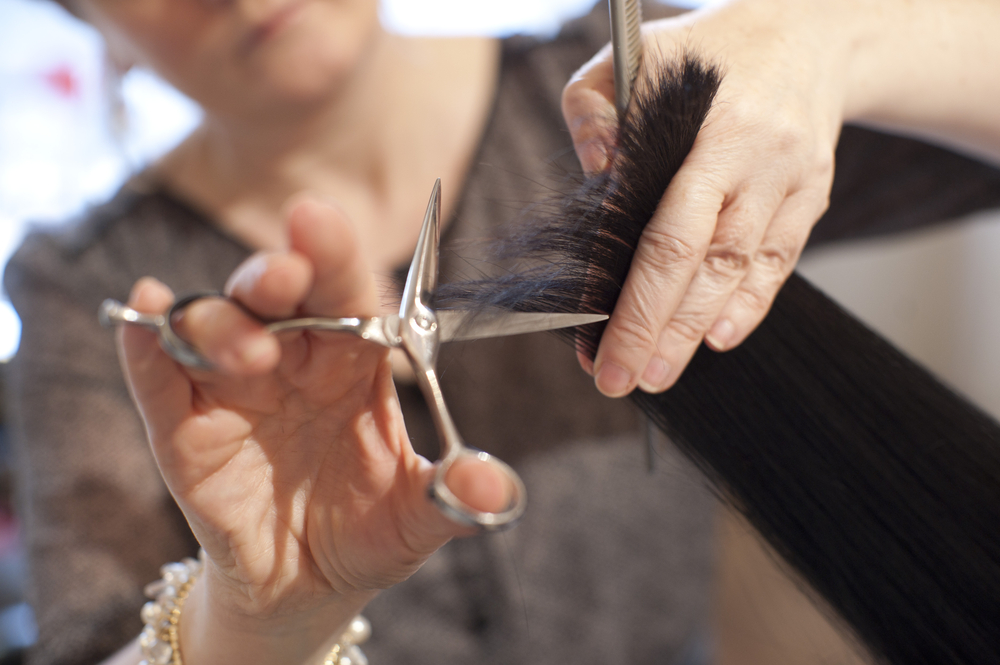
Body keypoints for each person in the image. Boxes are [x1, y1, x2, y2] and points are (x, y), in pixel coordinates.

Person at [4, 0, 1000, 664]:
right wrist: (257, 620)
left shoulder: (624, 99)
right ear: (102, 32)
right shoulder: (83, 280)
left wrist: (835, 41)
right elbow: (89, 638)